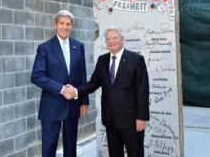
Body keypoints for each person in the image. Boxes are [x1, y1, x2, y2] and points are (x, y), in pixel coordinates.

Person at [64, 26, 149, 157]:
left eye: (114, 38)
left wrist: (142, 117)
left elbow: (142, 90)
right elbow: (93, 83)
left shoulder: (136, 60)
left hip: (131, 120)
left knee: (135, 153)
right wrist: (76, 91)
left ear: (122, 40)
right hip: (110, 119)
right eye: (108, 39)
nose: (111, 41)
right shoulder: (102, 60)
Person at [31, 10, 89, 157]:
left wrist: (84, 101)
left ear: (71, 26)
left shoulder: (78, 46)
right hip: (51, 106)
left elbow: (82, 75)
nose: (65, 27)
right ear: (56, 25)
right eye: (62, 23)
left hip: (73, 105)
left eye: (68, 24)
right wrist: (61, 89)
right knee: (49, 148)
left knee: (71, 149)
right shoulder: (45, 48)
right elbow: (36, 76)